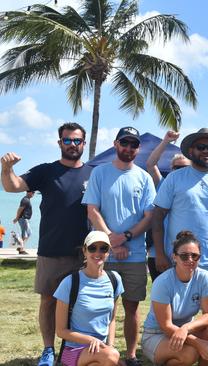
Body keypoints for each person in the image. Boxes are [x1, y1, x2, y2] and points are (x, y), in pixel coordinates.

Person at [1, 122, 93, 366]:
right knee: (48, 302)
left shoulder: (94, 173)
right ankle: (48, 350)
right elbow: (11, 186)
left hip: (85, 254)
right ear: (59, 142)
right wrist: (6, 167)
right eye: (67, 140)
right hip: (51, 251)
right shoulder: (45, 171)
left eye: (77, 141)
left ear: (84, 143)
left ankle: (72, 350)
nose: (72, 145)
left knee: (80, 305)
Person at [82, 127, 156, 366]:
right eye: (124, 143)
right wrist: (110, 242)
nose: (128, 148)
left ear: (138, 148)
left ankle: (131, 355)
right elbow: (92, 210)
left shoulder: (144, 177)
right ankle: (108, 352)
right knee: (105, 307)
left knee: (132, 307)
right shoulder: (100, 173)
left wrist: (124, 236)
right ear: (115, 144)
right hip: (103, 254)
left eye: (133, 145)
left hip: (134, 256)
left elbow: (149, 216)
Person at [152, 127, 208, 302]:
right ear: (191, 151)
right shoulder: (174, 178)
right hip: (179, 258)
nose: (206, 151)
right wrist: (161, 254)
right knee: (174, 312)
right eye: (201, 147)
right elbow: (157, 218)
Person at [141, 231, 208, 366]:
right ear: (174, 257)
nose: (190, 260)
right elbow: (166, 326)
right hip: (157, 334)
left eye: (195, 256)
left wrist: (185, 328)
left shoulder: (204, 277)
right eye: (184, 256)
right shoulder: (163, 282)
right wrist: (197, 342)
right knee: (189, 353)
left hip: (184, 330)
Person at [54, 231, 124, 366]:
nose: (98, 253)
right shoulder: (69, 282)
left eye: (103, 248)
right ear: (84, 251)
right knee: (111, 357)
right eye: (92, 248)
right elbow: (61, 331)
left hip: (102, 350)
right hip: (72, 350)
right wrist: (91, 340)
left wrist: (110, 345)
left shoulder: (114, 279)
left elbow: (112, 320)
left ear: (108, 252)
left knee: (105, 359)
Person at [144, 130, 191, 281]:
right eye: (177, 168)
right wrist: (166, 141)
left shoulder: (194, 189)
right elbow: (151, 164)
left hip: (184, 253)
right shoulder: (163, 183)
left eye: (185, 168)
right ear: (171, 169)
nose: (180, 171)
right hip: (158, 252)